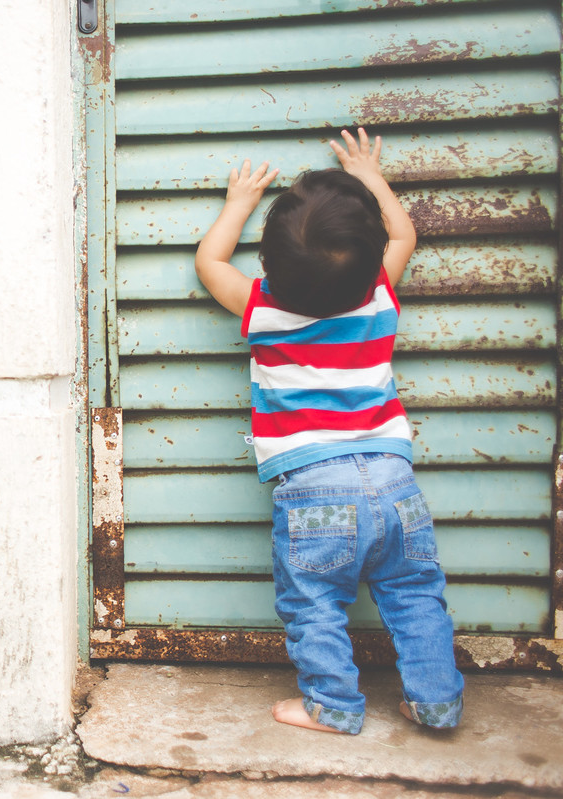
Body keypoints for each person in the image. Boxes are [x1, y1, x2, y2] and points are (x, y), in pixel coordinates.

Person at [193, 128, 464, 734]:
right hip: (395, 482)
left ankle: (334, 705)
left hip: (314, 485)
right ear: (369, 262)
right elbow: (404, 234)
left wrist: (237, 203)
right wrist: (369, 175)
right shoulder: (379, 298)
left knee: (313, 602)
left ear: (268, 263)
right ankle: (438, 701)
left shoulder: (261, 307)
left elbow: (209, 263)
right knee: (416, 592)